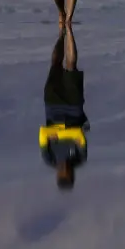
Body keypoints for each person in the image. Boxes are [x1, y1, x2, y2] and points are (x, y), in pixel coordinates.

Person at [39, 25, 89, 191]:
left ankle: (62, 35)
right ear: (72, 174)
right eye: (68, 172)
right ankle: (69, 29)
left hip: (53, 106)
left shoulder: (49, 158)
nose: (64, 168)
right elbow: (79, 135)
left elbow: (42, 133)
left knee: (55, 64)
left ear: (57, 174)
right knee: (71, 65)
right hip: (73, 107)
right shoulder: (80, 158)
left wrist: (65, 133)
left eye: (62, 172)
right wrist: (60, 133)